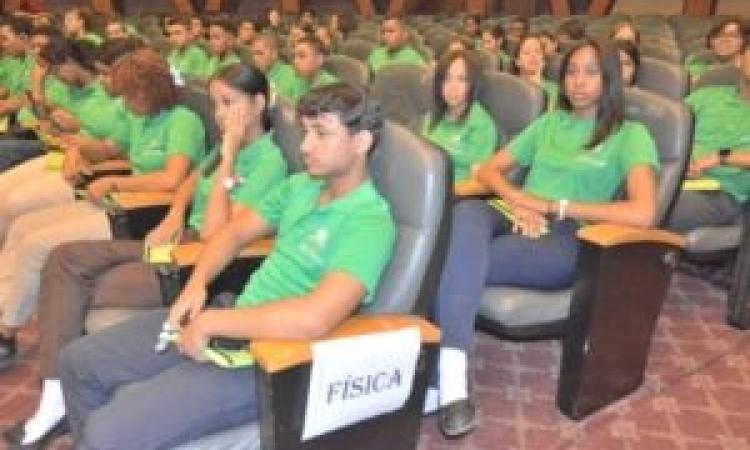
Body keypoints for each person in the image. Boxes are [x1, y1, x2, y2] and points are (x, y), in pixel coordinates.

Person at [57, 82, 396, 449]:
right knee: (79, 363)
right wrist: (196, 285)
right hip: (230, 317)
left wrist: (212, 322)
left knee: (107, 432)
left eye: (321, 134)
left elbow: (315, 317)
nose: (304, 146)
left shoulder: (370, 223)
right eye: (305, 132)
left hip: (267, 360)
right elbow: (232, 233)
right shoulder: (301, 186)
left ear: (361, 142)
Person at [2, 63, 288, 449]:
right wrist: (173, 212)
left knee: (85, 285)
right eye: (216, 104)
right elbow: (189, 181)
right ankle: (56, 394)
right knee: (65, 258)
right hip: (176, 239)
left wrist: (230, 156)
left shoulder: (269, 160)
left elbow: (215, 232)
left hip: (197, 260)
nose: (220, 115)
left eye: (228, 104)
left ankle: (68, 404)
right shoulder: (223, 145)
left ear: (258, 104)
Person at [430, 38, 659, 438]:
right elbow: (487, 171)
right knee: (465, 215)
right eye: (571, 72)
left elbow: (643, 212)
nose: (578, 82)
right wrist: (519, 199)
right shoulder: (550, 122)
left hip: (567, 235)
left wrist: (554, 207)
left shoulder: (631, 134)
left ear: (609, 78)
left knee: (452, 260)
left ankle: (443, 378)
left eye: (591, 72)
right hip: (514, 213)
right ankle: (451, 382)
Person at [0, 48, 206, 366]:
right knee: (23, 228)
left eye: (129, 96)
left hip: (142, 213)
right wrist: (80, 153)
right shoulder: (140, 117)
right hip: (118, 203)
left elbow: (173, 178)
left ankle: (6, 332)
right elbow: (109, 148)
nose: (123, 103)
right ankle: (5, 307)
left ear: (149, 92)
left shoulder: (183, 122)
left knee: (36, 243)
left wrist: (115, 183)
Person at [666, 41, 750, 233]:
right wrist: (678, 164)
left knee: (648, 206)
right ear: (738, 61)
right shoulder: (707, 96)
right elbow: (668, 129)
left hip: (720, 192)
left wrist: (720, 157)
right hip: (674, 176)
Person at [421, 50, 499, 184]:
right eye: (446, 79)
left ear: (473, 84)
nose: (453, 87)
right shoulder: (432, 117)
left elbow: (478, 181)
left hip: (456, 196)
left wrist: (441, 194)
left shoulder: (482, 126)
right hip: (425, 185)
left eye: (462, 79)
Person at [276, 36, 338, 103]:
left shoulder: (333, 88)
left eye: (302, 56)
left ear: (319, 59)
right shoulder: (296, 80)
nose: (295, 61)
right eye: (294, 56)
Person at [685, 18, 745, 82]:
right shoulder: (697, 60)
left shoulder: (745, 66)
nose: (725, 39)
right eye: (721, 34)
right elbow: (694, 80)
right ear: (712, 40)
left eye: (733, 35)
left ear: (743, 42)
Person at [512, 33, 559, 110]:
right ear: (517, 62)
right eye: (527, 53)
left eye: (537, 52)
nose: (533, 55)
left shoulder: (554, 89)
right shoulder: (509, 87)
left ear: (543, 60)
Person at [249, 32, 296, 97]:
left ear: (274, 54)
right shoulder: (253, 75)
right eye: (253, 54)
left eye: (260, 53)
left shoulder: (292, 75)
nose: (255, 58)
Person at [166, 17, 210, 82]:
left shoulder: (198, 55)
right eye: (170, 34)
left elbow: (199, 83)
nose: (173, 38)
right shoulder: (173, 54)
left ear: (190, 34)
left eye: (177, 33)